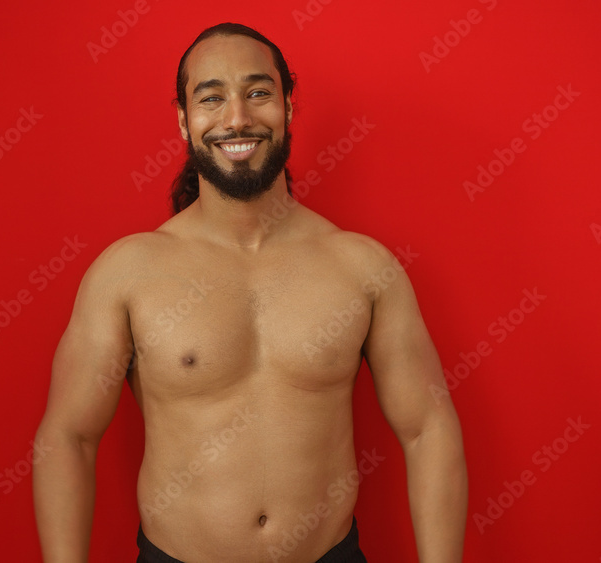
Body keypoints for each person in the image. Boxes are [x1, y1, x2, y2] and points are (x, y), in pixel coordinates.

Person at [33, 22, 467, 563]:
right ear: (183, 121)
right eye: (211, 98)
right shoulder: (127, 273)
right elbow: (67, 438)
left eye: (258, 93)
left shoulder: (363, 267)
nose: (237, 117)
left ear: (288, 106)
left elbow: (428, 429)